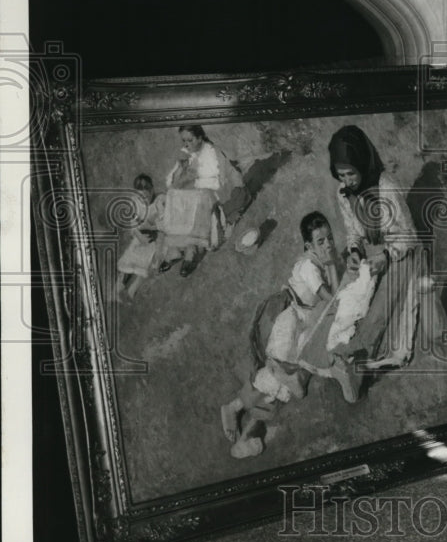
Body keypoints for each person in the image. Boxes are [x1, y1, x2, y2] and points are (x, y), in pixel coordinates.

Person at [221, 210, 345, 458]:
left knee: (283, 385)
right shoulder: (309, 266)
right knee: (280, 372)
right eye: (321, 241)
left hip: (308, 320)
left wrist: (333, 263)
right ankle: (234, 409)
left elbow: (336, 285)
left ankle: (244, 426)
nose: (328, 244)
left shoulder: (328, 259)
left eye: (329, 238)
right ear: (309, 245)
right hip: (291, 316)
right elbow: (330, 298)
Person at [317, 125, 423, 388]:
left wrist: (386, 256)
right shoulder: (344, 193)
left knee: (384, 311)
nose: (347, 180)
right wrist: (354, 251)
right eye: (341, 175)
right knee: (347, 301)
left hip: (400, 254)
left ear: (363, 164)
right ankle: (336, 352)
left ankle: (361, 360)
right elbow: (353, 232)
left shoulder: (386, 186)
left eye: (351, 173)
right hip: (371, 255)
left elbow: (408, 235)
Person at [159, 124, 244, 277]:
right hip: (195, 194)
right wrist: (180, 170)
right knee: (174, 194)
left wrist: (191, 181)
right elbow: (170, 182)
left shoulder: (211, 152)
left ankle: (192, 249)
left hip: (217, 195)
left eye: (190, 140)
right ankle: (175, 249)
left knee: (198, 197)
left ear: (199, 138)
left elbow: (217, 183)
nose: (186, 144)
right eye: (184, 141)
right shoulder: (187, 153)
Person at [115, 174, 165, 300]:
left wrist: (153, 227)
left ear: (152, 190)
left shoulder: (159, 201)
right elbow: (133, 225)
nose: (144, 199)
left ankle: (132, 291)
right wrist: (140, 236)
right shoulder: (135, 203)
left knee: (145, 264)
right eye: (141, 197)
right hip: (140, 236)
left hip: (154, 238)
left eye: (147, 196)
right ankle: (119, 285)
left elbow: (163, 224)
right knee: (130, 256)